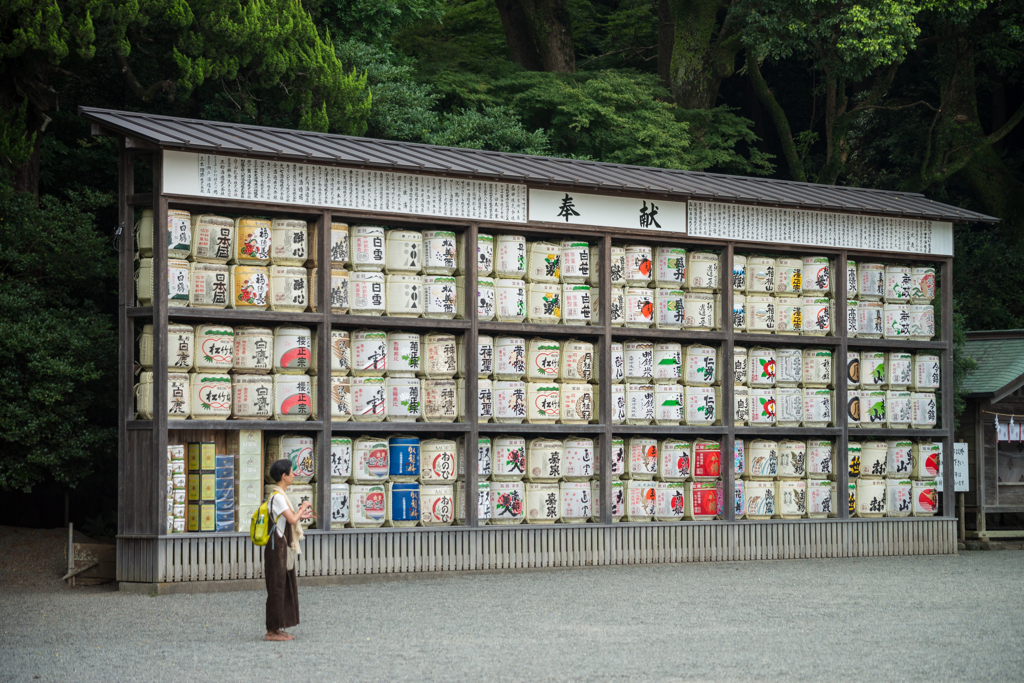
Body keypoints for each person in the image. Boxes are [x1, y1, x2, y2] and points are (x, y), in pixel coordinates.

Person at [265, 459, 313, 642]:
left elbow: (289, 519)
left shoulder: (280, 495)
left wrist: (303, 514)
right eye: (291, 472)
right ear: (284, 476)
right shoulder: (277, 497)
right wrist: (302, 508)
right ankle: (271, 631)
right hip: (276, 547)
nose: (294, 475)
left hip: (281, 546)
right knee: (277, 587)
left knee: (283, 585)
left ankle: (278, 627)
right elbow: (292, 519)